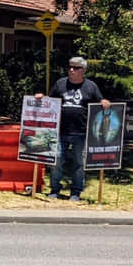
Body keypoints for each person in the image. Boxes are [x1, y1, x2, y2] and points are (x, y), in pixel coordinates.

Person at [36, 57, 110, 201]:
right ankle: (54, 189)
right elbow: (51, 102)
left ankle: (76, 192)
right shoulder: (60, 83)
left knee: (79, 162)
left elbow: (100, 102)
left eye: (75, 68)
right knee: (56, 160)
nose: (71, 70)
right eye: (70, 67)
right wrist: (41, 98)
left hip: (81, 132)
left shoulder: (91, 86)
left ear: (83, 70)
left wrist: (104, 101)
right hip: (60, 131)